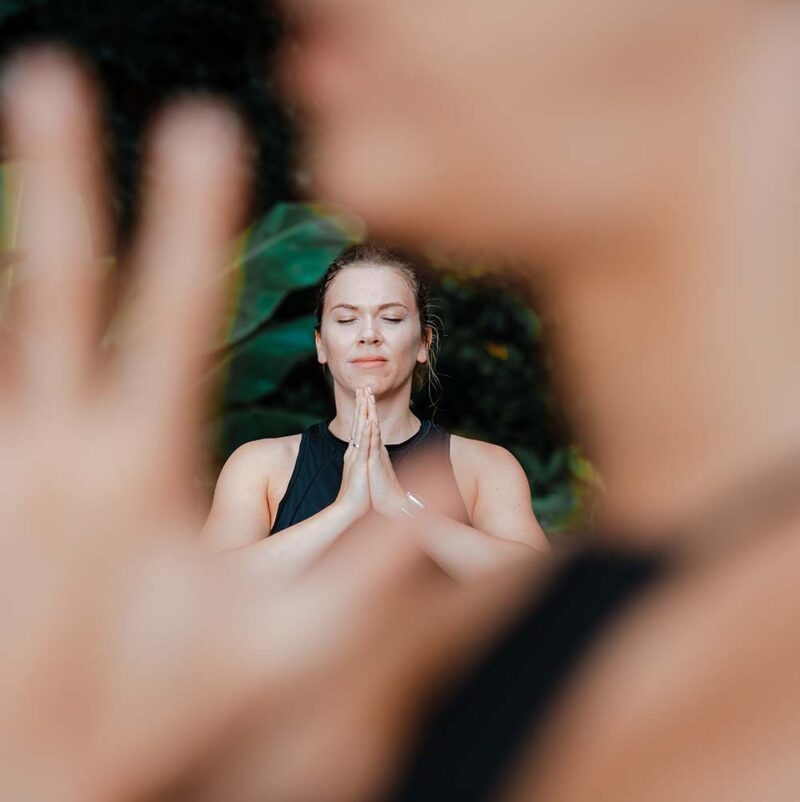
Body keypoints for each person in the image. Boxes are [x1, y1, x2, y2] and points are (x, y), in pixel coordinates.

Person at [203, 243, 547, 581]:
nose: (369, 335)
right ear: (321, 344)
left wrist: (398, 505)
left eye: (391, 318)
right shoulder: (261, 467)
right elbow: (206, 591)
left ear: (424, 342)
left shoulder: (482, 468)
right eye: (347, 319)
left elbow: (541, 587)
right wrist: (344, 510)